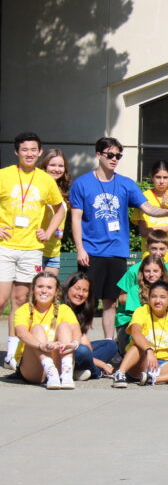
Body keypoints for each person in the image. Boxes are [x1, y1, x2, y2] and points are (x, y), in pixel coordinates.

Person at [70, 137, 168, 339]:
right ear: (98, 154)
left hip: (117, 251)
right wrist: (80, 249)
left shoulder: (126, 184)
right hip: (91, 251)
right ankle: (80, 341)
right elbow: (75, 218)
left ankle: (109, 343)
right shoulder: (82, 184)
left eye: (118, 156)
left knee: (111, 302)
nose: (114, 159)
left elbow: (147, 208)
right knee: (86, 300)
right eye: (110, 155)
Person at [1, 133, 67, 369]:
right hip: (5, 246)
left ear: (39, 153)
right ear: (16, 152)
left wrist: (48, 232)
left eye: (33, 150)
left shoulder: (45, 179)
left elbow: (60, 208)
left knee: (21, 300)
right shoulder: (4, 175)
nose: (29, 154)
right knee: (1, 299)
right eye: (24, 150)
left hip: (32, 249)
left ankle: (12, 353)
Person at [112, 280, 168, 387]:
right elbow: (135, 333)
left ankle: (152, 379)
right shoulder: (141, 311)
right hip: (140, 361)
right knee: (137, 346)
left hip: (161, 364)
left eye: (162, 297)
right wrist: (149, 351)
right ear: (149, 298)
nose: (158, 301)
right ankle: (120, 373)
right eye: (154, 297)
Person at [11, 272, 82, 389]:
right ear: (33, 289)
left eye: (49, 287)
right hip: (33, 368)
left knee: (64, 325)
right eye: (40, 286)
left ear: (56, 291)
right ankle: (50, 370)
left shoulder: (64, 309)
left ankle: (67, 372)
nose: (44, 291)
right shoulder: (23, 310)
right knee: (37, 328)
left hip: (58, 360)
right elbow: (21, 333)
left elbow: (76, 330)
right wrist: (41, 345)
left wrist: (74, 344)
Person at [64, 272, 117, 380]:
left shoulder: (82, 310)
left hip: (80, 350)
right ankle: (97, 372)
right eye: (77, 288)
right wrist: (103, 365)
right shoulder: (61, 309)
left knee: (111, 345)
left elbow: (87, 346)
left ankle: (80, 370)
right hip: (64, 351)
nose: (80, 293)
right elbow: (79, 348)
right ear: (68, 288)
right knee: (82, 351)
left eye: (85, 290)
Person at [134, 161, 168, 262]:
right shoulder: (143, 198)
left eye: (165, 177)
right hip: (150, 260)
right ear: (152, 177)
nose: (161, 181)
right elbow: (144, 232)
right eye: (158, 177)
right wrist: (165, 228)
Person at [38, 148, 71, 277]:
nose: (57, 169)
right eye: (52, 165)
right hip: (36, 250)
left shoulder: (61, 190)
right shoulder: (38, 187)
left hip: (54, 251)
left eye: (61, 166)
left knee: (50, 289)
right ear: (45, 166)